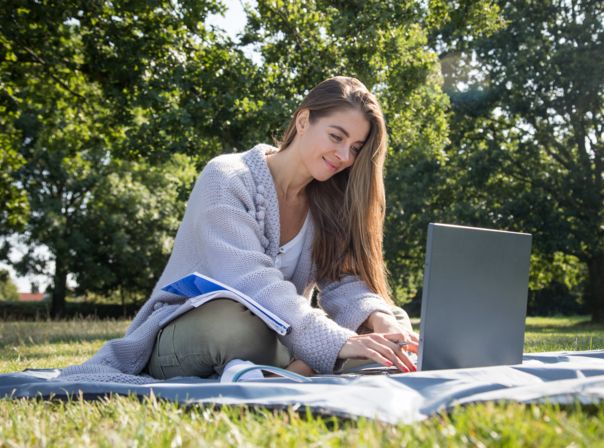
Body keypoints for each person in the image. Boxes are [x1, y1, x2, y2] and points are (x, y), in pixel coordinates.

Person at [59, 76, 418, 384]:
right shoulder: (227, 178)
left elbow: (343, 282)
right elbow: (250, 280)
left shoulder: (330, 202)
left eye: (355, 148)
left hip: (283, 333)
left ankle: (300, 368)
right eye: (336, 137)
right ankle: (307, 366)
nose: (344, 156)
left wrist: (378, 317)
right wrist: (333, 341)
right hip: (195, 333)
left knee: (388, 323)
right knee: (235, 323)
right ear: (304, 120)